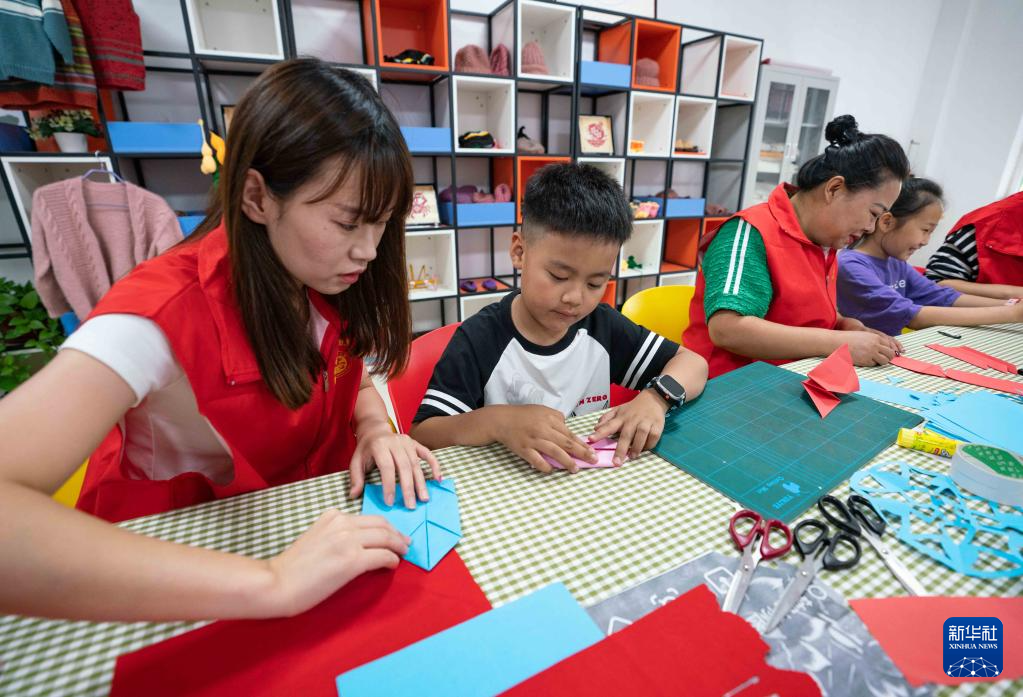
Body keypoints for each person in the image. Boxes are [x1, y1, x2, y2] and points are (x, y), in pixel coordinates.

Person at [0, 58, 437, 621]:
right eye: (348, 223)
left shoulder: (323, 276)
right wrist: (273, 584)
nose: (369, 251)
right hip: (167, 571)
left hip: (300, 533)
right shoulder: (156, 314)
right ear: (257, 197)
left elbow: (347, 377)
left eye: (383, 224)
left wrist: (375, 428)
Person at [409, 163, 708, 470]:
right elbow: (424, 434)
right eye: (558, 276)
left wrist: (656, 398)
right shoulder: (480, 339)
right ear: (519, 252)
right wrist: (497, 421)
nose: (575, 298)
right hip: (511, 485)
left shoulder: (602, 327)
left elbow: (694, 364)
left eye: (595, 283)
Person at [683, 115, 909, 378]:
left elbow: (803, 315)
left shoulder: (824, 243)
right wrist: (837, 342)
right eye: (873, 213)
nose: (871, 228)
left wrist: (844, 325)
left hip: (787, 378)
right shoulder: (751, 232)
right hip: (726, 386)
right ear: (834, 189)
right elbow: (727, 329)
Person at [838, 177, 1023, 334]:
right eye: (925, 230)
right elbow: (914, 316)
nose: (925, 241)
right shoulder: (851, 266)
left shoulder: (895, 263)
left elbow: (942, 296)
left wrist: (1010, 304)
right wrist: (1012, 313)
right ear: (887, 222)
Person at [924, 190, 1023, 299]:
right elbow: (935, 285)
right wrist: (1011, 298)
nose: (924, 242)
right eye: (925, 230)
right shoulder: (987, 226)